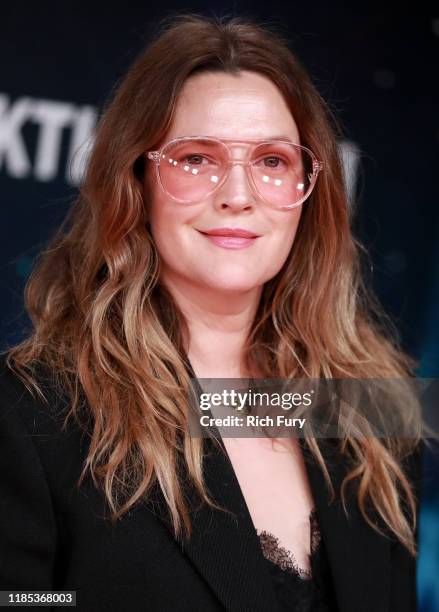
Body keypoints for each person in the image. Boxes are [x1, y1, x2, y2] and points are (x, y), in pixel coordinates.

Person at [0, 14, 423, 612]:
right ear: (135, 179)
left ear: (310, 191)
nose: (238, 193)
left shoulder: (375, 411)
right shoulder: (31, 413)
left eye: (273, 161)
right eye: (197, 158)